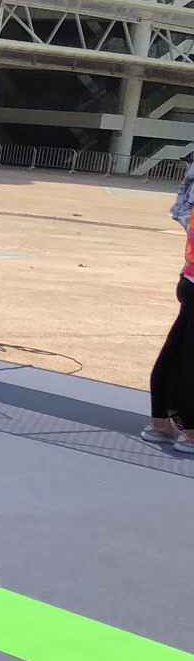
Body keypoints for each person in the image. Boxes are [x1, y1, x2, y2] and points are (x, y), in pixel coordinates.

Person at [142, 167, 194, 453]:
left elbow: (183, 211)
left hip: (190, 276)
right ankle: (189, 430)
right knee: (185, 354)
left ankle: (161, 422)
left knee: (177, 349)